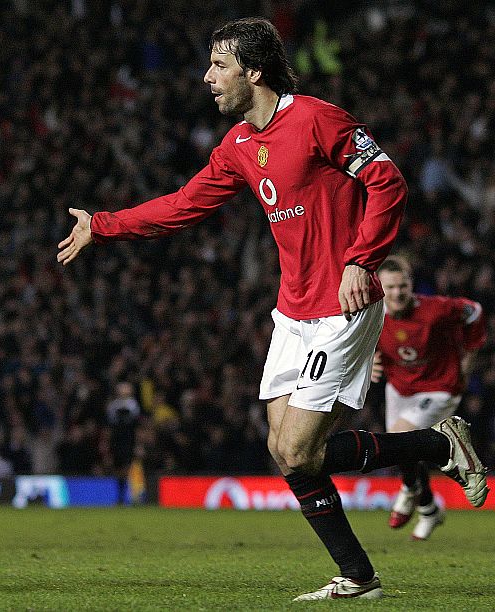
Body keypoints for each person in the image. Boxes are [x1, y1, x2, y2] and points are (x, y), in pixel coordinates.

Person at [57, 17, 488, 601]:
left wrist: (361, 260)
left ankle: (437, 450)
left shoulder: (316, 118)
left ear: (252, 72)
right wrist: (103, 226)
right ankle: (365, 567)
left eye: (219, 66)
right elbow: (183, 206)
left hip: (343, 305)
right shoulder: (238, 146)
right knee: (285, 451)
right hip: (291, 311)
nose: (207, 77)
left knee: (297, 450)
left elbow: (387, 182)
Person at [372, 255, 487, 540]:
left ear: (412, 285)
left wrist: (469, 355)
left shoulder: (436, 309)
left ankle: (410, 490)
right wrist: (367, 363)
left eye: (403, 286)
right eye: (391, 287)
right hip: (399, 388)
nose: (398, 293)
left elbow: (474, 311)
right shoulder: (371, 316)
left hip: (439, 387)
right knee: (405, 451)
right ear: (380, 288)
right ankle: (428, 510)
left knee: (400, 438)